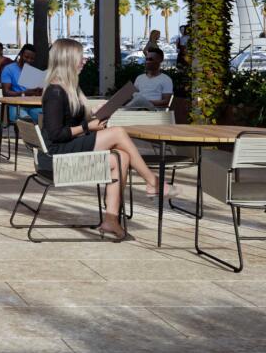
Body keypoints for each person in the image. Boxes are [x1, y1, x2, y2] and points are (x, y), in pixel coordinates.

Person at [40, 38, 173, 240]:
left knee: (122, 158)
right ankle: (152, 182)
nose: (83, 60)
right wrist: (88, 126)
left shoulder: (69, 89)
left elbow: (70, 122)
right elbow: (55, 134)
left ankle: (111, 219)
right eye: (79, 57)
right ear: (67, 60)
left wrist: (93, 114)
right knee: (118, 133)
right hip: (56, 155)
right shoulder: (55, 92)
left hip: (67, 146)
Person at [0, 43, 41, 123]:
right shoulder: (9, 69)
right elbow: (6, 92)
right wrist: (24, 93)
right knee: (26, 120)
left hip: (33, 105)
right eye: (26, 57)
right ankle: (30, 134)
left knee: (49, 116)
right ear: (21, 54)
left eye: (32, 59)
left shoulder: (34, 71)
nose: (29, 60)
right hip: (16, 106)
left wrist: (39, 91)